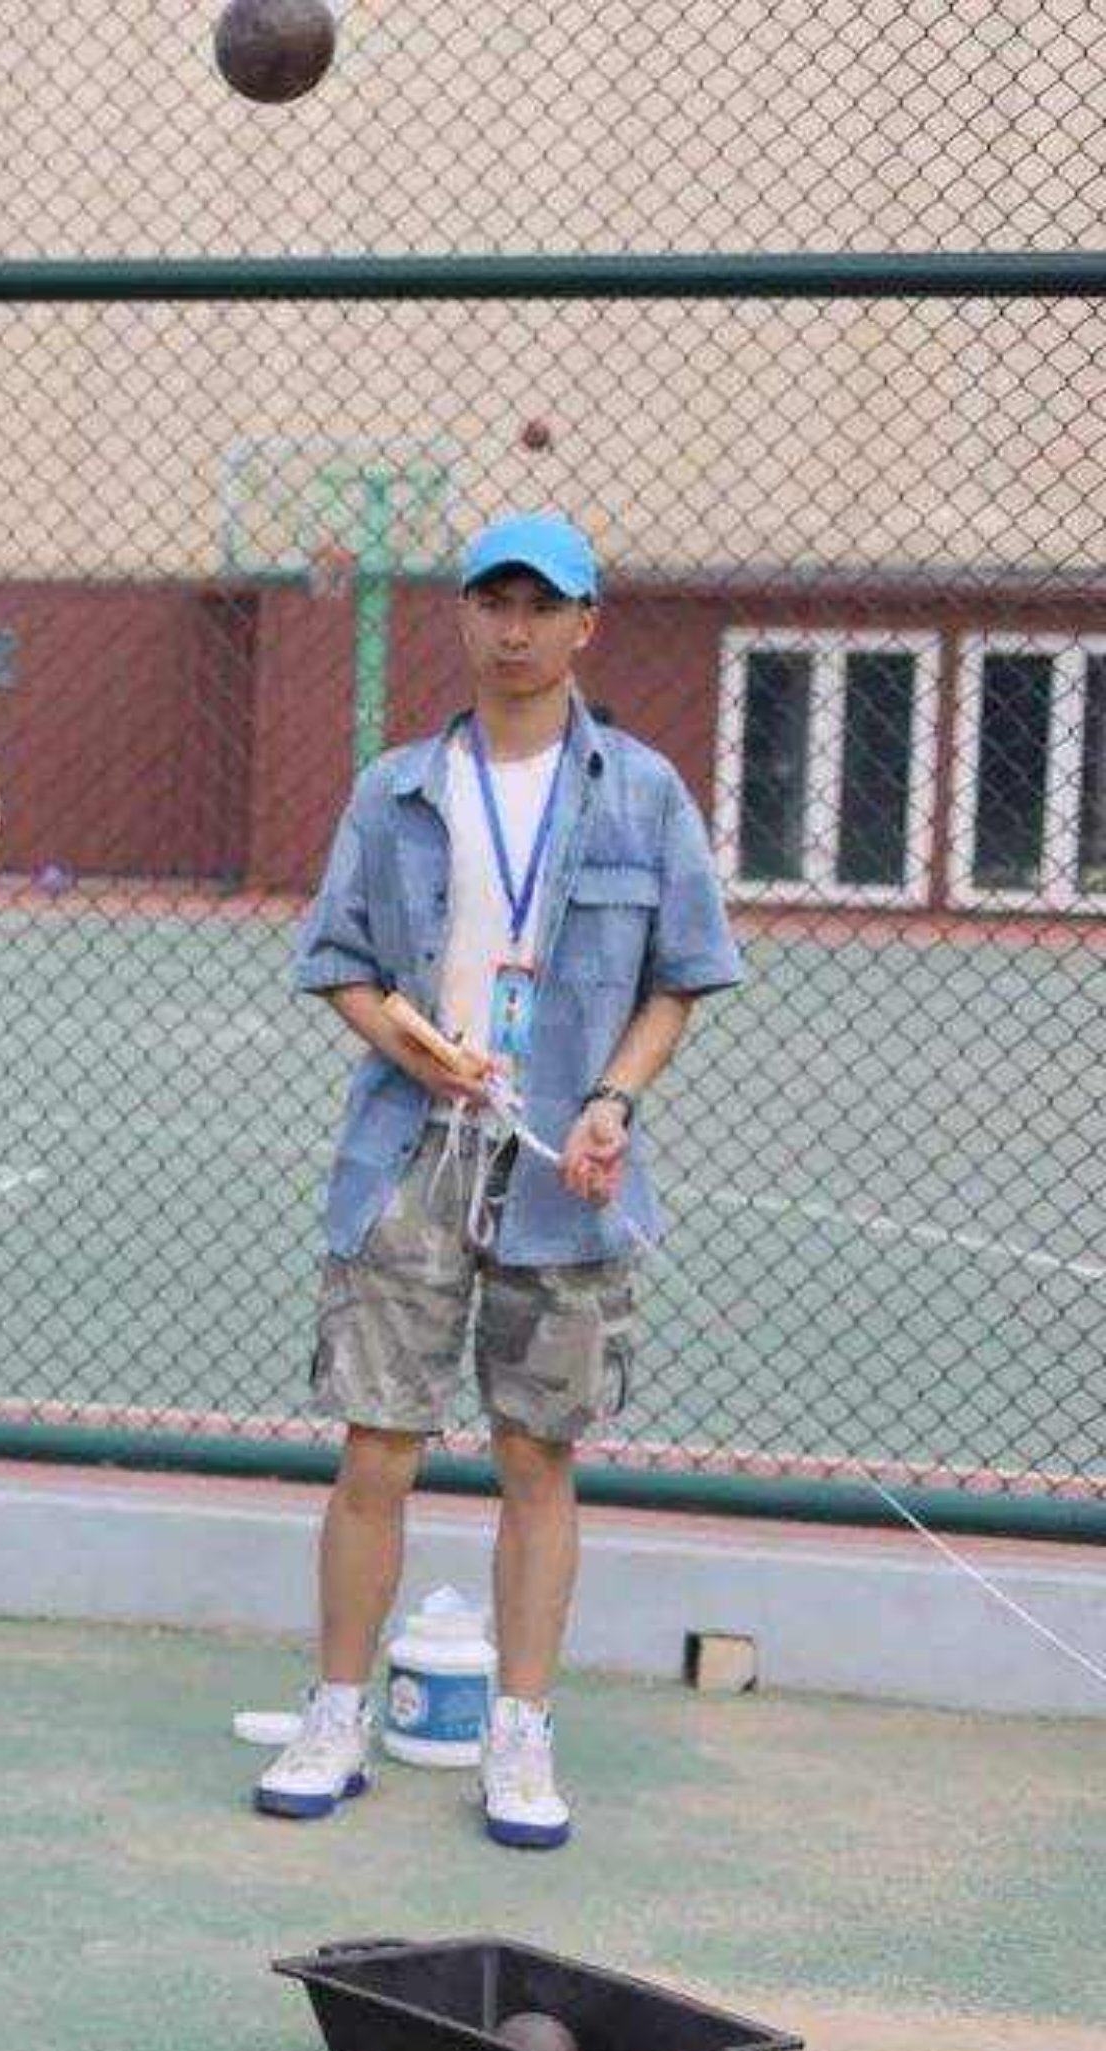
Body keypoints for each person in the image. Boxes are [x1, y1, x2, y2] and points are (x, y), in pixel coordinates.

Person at [261, 512, 744, 1850]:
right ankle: (335, 1713)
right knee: (376, 1446)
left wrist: (610, 1101)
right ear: (463, 616)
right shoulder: (396, 790)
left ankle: (519, 1731)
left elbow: (680, 979)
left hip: (560, 1174)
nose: (515, 630)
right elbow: (338, 964)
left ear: (585, 623)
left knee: (536, 1453)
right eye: (493, 602)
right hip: (409, 1156)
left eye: (541, 606)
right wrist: (412, 1047)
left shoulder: (641, 791)